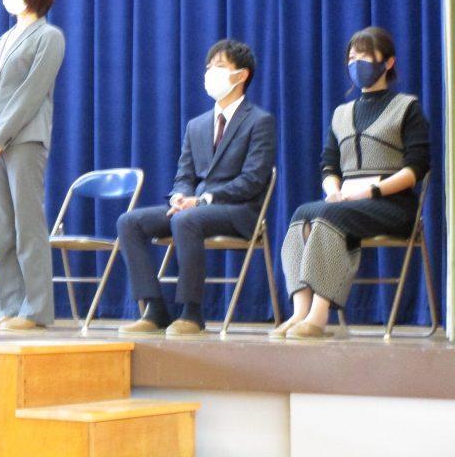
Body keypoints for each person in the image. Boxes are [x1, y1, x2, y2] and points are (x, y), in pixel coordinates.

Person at [274, 27, 430, 340]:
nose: (356, 63)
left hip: (392, 203)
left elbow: (416, 169)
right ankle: (300, 311)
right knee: (302, 214)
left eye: (364, 56)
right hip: (348, 201)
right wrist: (334, 190)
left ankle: (320, 316)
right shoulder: (341, 113)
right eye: (351, 57)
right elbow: (328, 164)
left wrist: (370, 190)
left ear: (387, 62)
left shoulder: (407, 107)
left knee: (328, 217)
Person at [117, 39, 276, 336]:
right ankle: (154, 309)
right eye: (208, 67)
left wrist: (202, 200)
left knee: (186, 218)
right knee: (130, 222)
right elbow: (184, 174)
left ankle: (192, 312)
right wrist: (180, 194)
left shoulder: (259, 121)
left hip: (239, 210)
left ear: (241, 75)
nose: (210, 73)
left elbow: (253, 179)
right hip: (195, 207)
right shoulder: (197, 125)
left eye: (219, 67)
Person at [0, 0, 65, 331]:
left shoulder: (49, 36)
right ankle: (10, 307)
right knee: (3, 228)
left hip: (24, 141)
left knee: (28, 225)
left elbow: (31, 93)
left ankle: (36, 309)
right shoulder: (0, 41)